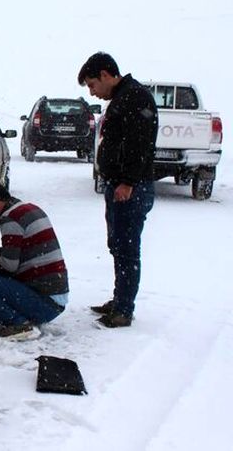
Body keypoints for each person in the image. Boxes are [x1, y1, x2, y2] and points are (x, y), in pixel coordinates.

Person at [78, 52, 158, 328]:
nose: (92, 92)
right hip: (119, 185)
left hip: (130, 188)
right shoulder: (122, 98)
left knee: (126, 249)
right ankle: (119, 299)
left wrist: (127, 182)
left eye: (92, 85)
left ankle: (124, 309)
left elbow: (139, 145)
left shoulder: (134, 97)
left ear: (105, 75)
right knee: (118, 245)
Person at [0, 181, 69, 339]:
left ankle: (18, 324)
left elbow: (9, 266)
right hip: (55, 300)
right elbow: (28, 249)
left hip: (44, 303)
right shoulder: (29, 209)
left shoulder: (10, 220)